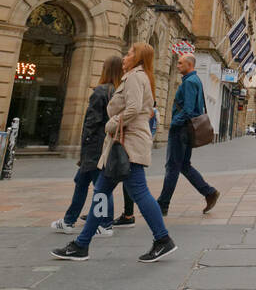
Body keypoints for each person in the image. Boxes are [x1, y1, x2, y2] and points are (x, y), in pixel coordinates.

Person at [52, 42, 176, 263]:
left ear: (137, 57)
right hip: (120, 143)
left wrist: (112, 123)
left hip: (128, 145)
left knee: (139, 192)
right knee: (100, 192)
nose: (125, 57)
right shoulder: (135, 77)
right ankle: (81, 244)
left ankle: (163, 239)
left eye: (129, 53)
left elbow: (134, 108)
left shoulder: (136, 77)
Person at [52, 55, 123, 235]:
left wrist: (84, 149)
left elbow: (91, 123)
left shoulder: (100, 92)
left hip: (94, 147)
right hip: (106, 144)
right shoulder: (117, 92)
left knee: (101, 186)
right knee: (81, 182)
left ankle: (105, 224)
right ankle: (69, 220)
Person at [159, 51, 220, 216]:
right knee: (184, 166)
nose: (178, 65)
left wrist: (173, 124)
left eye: (180, 63)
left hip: (181, 130)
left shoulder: (190, 82)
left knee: (172, 167)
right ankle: (209, 192)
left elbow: (188, 110)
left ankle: (163, 205)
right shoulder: (195, 80)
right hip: (186, 130)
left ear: (189, 65)